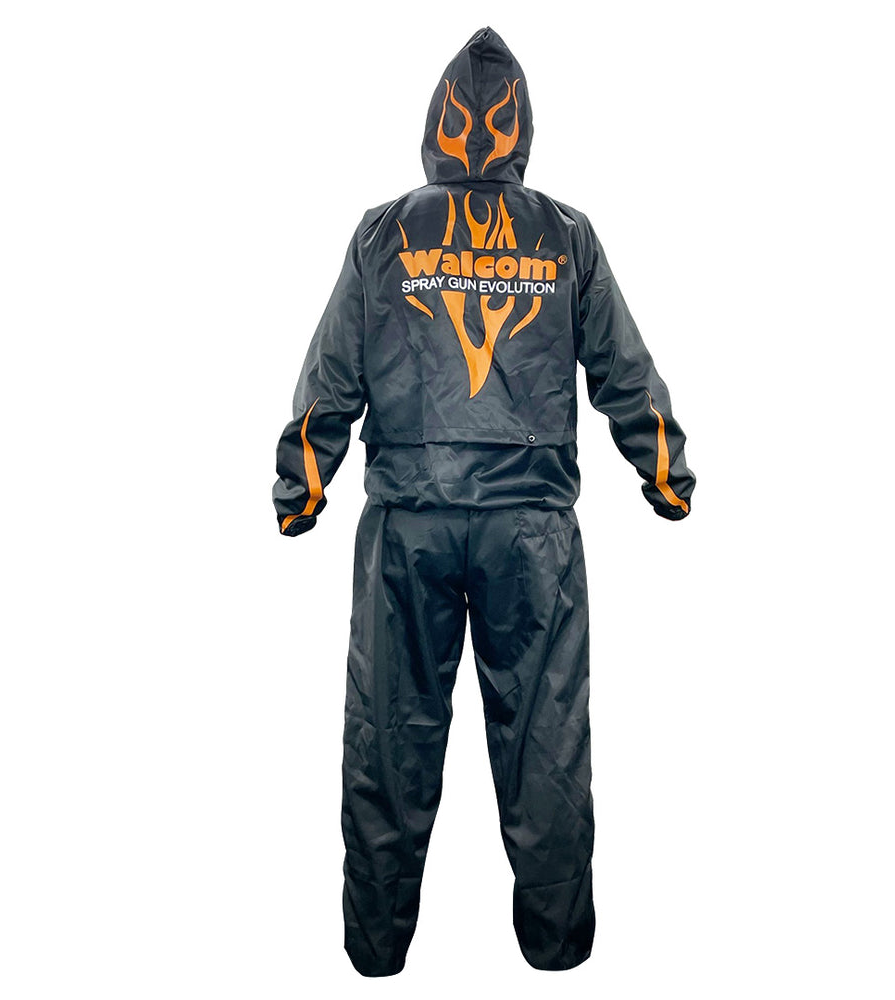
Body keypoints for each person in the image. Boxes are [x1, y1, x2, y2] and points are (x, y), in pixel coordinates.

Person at [272, 25, 696, 977]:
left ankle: (376, 950)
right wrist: (665, 473)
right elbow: (623, 370)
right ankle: (557, 952)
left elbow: (332, 372)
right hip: (531, 535)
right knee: (547, 739)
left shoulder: (385, 232)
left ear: (437, 121)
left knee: (389, 735)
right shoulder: (565, 235)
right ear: (519, 126)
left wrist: (303, 484)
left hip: (407, 527)